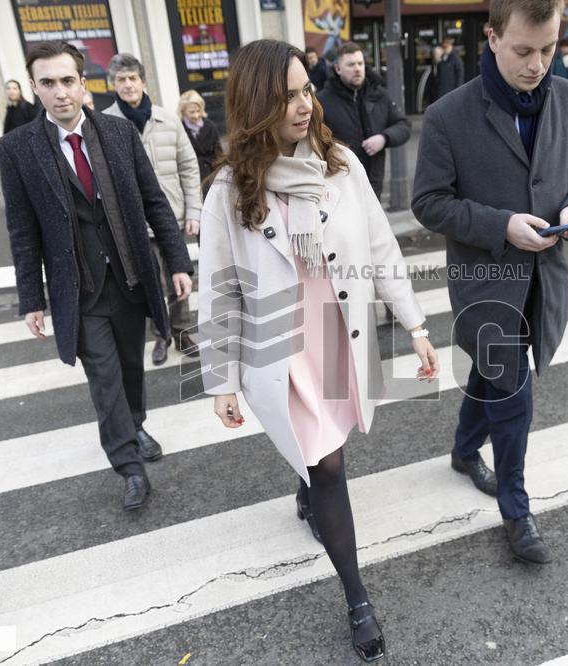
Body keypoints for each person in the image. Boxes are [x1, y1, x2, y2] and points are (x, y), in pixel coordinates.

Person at [198, 39, 439, 662]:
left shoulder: (340, 165)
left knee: (321, 455)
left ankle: (305, 489)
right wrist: (220, 379)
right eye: (287, 95)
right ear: (257, 104)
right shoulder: (230, 190)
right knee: (329, 466)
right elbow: (221, 291)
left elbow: (382, 250)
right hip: (280, 350)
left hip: (338, 337)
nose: (304, 104)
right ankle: (357, 596)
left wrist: (415, 326)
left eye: (307, 88)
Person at [412, 0, 568, 565]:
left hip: (545, 281)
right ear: (492, 37)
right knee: (514, 393)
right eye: (524, 50)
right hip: (485, 282)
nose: (538, 64)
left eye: (549, 49)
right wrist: (501, 226)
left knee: (497, 380)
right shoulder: (447, 115)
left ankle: (464, 448)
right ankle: (517, 509)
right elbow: (427, 202)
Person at [0, 41, 193, 511]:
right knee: (103, 377)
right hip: (77, 289)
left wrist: (179, 262)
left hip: (128, 276)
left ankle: (137, 422)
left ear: (83, 83)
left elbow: (153, 202)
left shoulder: (117, 133)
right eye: (47, 83)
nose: (60, 92)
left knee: (130, 366)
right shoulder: (17, 148)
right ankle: (128, 465)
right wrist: (32, 298)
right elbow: (21, 229)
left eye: (67, 81)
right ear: (35, 89)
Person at [102, 54, 203, 366]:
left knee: (180, 276)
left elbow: (188, 166)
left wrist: (193, 211)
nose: (128, 84)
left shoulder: (168, 120)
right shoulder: (105, 124)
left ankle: (183, 332)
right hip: (132, 222)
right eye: (121, 79)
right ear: (113, 84)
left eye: (133, 78)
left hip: (171, 215)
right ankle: (161, 334)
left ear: (143, 81)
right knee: (151, 283)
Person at [317, 41, 411, 199]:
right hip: (341, 185)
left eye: (360, 63)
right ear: (338, 69)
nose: (357, 69)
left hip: (374, 183)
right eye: (351, 64)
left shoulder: (379, 94)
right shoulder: (322, 101)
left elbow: (403, 125)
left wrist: (384, 138)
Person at [178, 89, 222, 195]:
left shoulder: (210, 126)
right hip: (191, 178)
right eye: (192, 112)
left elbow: (218, 153)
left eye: (198, 110)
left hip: (210, 176)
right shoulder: (179, 128)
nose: (196, 115)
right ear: (183, 111)